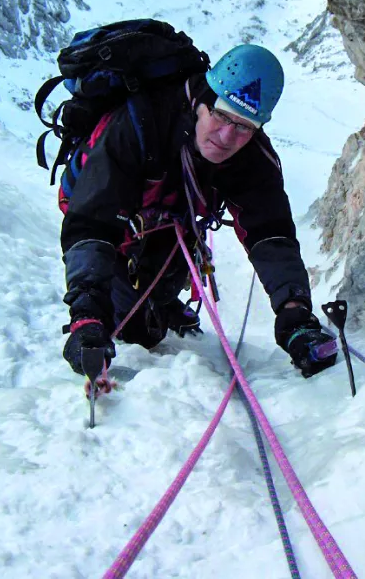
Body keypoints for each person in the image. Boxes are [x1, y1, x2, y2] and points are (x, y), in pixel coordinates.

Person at [59, 43, 337, 378]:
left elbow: (270, 233)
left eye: (244, 126)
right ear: (201, 103)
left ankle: (160, 301)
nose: (227, 136)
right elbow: (92, 223)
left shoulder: (251, 157)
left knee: (152, 317)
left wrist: (294, 313)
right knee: (131, 330)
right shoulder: (139, 123)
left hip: (174, 225)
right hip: (115, 222)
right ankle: (136, 303)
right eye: (221, 116)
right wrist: (87, 311)